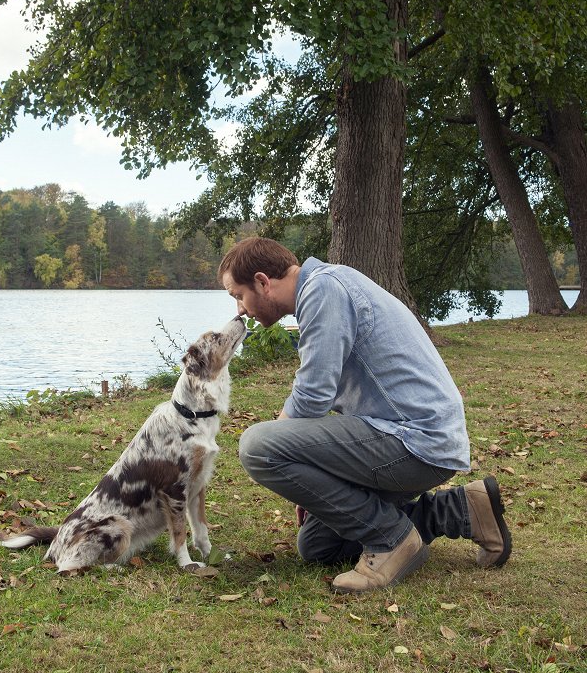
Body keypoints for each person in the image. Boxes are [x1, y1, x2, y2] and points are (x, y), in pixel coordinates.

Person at [219, 237, 511, 593]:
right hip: (411, 440)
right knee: (319, 547)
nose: (239, 309)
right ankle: (461, 510)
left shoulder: (323, 289)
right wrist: (308, 482)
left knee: (257, 446)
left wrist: (284, 453)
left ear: (263, 282)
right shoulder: (327, 285)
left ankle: (390, 538)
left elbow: (312, 396)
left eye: (237, 295)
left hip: (414, 440)